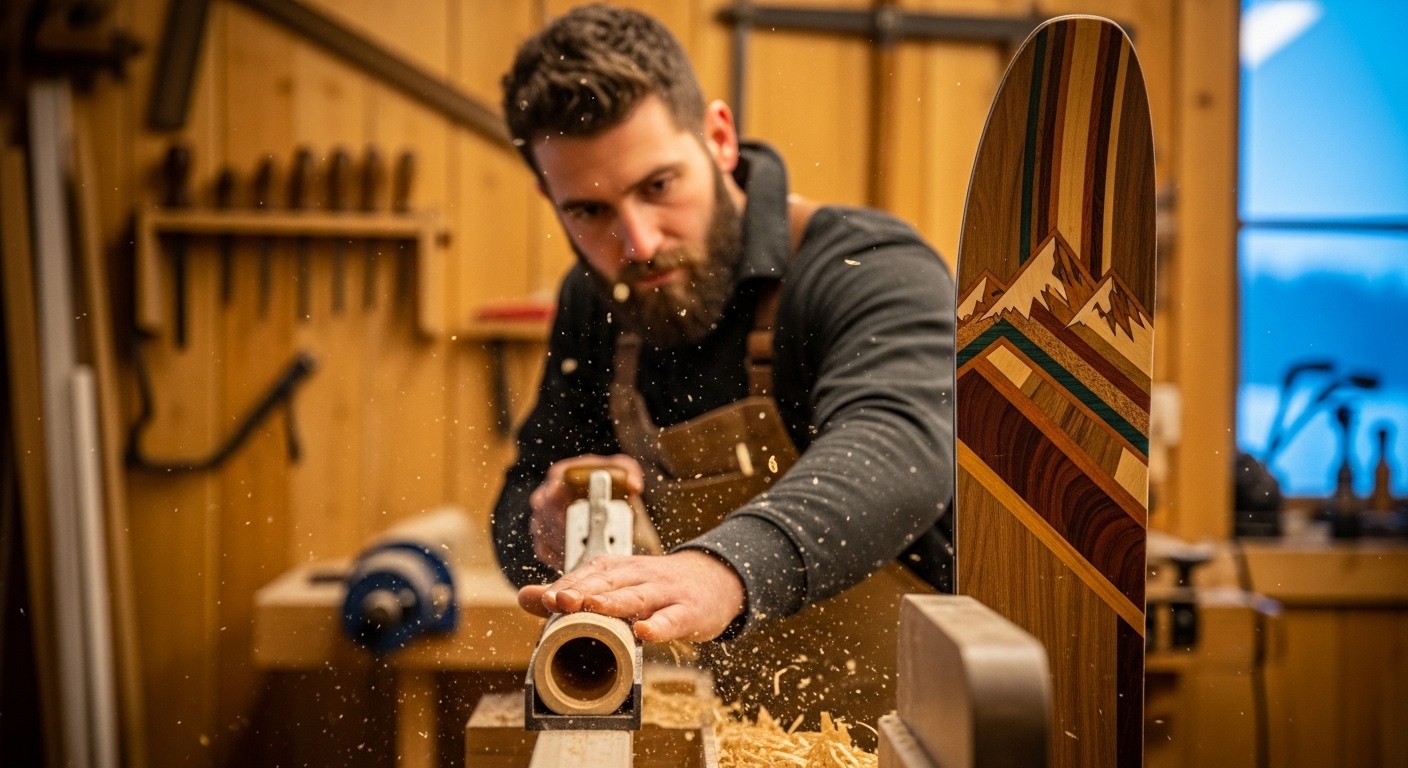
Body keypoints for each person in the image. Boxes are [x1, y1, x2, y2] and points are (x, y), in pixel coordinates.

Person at [491, 3, 955, 732]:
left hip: (910, 733)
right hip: (742, 737)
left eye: (658, 187)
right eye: (588, 211)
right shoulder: (597, 302)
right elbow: (523, 489)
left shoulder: (865, 267)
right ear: (550, 199)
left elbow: (899, 447)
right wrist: (542, 532)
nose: (638, 244)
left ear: (718, 136)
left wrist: (723, 570)